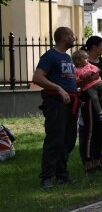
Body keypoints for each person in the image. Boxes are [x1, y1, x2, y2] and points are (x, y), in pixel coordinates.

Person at [32, 26, 79, 189]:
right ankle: (46, 177)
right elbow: (37, 77)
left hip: (71, 102)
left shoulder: (66, 57)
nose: (74, 38)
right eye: (72, 36)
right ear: (64, 37)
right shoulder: (50, 56)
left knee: (69, 139)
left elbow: (68, 79)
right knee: (55, 139)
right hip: (56, 103)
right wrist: (59, 89)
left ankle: (61, 174)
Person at [78, 35, 102, 174]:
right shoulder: (83, 61)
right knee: (90, 132)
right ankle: (88, 163)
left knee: (100, 131)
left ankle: (97, 161)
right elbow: (77, 80)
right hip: (89, 102)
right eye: (101, 45)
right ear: (94, 47)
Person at [72, 49, 102, 121]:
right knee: (94, 98)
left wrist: (90, 72)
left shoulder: (88, 65)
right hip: (89, 87)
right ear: (77, 60)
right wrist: (81, 77)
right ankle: (100, 113)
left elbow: (96, 69)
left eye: (87, 58)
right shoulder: (75, 70)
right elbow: (76, 80)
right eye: (85, 58)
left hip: (98, 82)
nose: (87, 60)